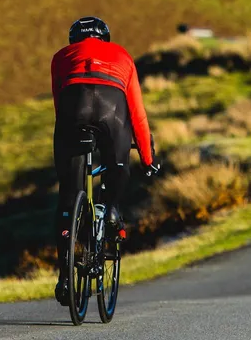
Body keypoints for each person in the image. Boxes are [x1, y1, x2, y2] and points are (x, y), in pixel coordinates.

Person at [50, 16, 160, 305]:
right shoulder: (122, 55)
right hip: (112, 110)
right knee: (117, 166)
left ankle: (64, 278)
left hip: (73, 108)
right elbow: (137, 112)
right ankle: (110, 210)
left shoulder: (61, 56)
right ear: (105, 39)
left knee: (67, 196)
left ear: (74, 40)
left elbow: (58, 102)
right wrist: (148, 159)